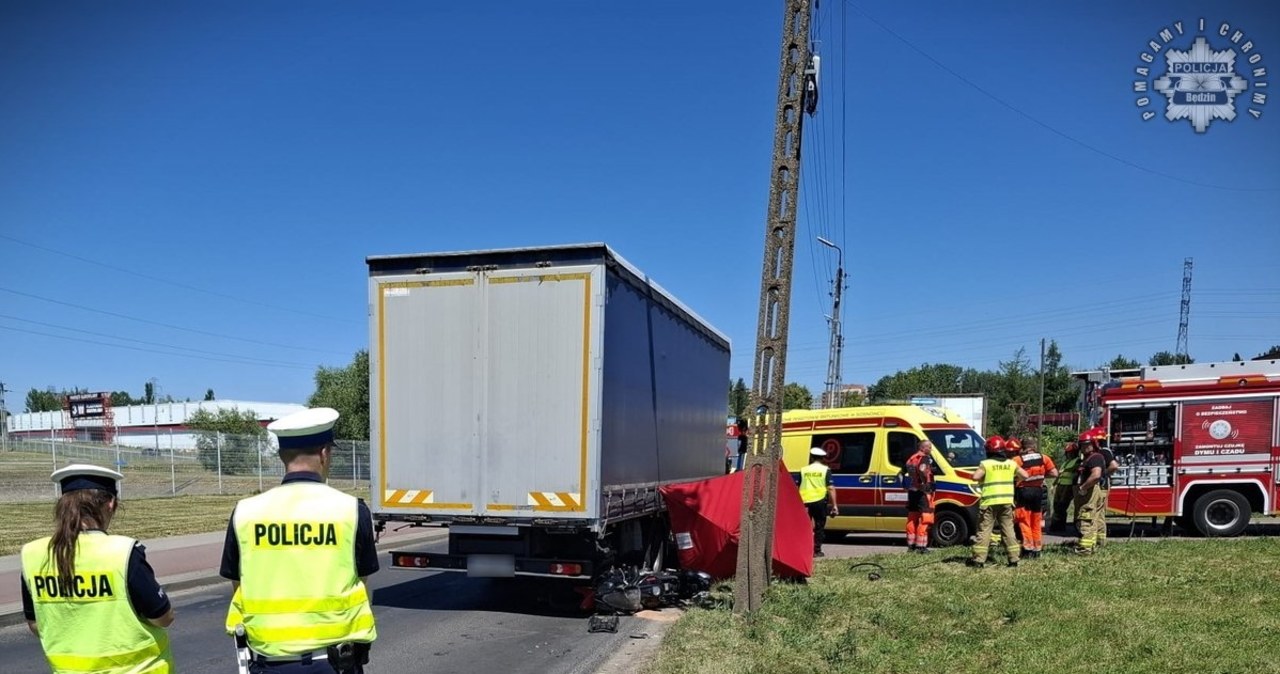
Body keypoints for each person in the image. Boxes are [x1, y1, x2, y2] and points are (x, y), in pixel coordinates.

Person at [221, 407, 378, 673]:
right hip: (334, 663)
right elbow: (362, 584)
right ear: (324, 453)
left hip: (268, 664)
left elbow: (239, 584)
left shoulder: (245, 512)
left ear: (282, 455)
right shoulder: (351, 510)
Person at [21, 464, 176, 674]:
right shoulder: (122, 552)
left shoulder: (33, 554)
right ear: (110, 503)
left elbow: (35, 624)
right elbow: (163, 617)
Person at [968, 436, 1029, 568]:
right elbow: (1025, 475)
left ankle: (979, 560)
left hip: (989, 502)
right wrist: (1014, 478)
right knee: (1008, 530)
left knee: (984, 530)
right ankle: (1014, 559)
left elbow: (975, 477)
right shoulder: (1011, 463)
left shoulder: (986, 464)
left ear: (988, 450)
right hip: (1006, 501)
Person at [1010, 437, 1058, 559]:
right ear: (1034, 446)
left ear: (1022, 447)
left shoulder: (1017, 459)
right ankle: (1037, 549)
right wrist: (1040, 475)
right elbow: (1054, 473)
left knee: (1024, 520)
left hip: (1023, 492)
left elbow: (1010, 474)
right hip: (1038, 492)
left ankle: (1028, 548)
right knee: (1036, 521)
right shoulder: (1044, 458)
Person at [1072, 434, 1108, 555]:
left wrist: (1083, 488)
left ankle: (1084, 549)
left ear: (1094, 444)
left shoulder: (1095, 457)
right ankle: (1095, 543)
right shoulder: (1088, 458)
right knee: (1094, 518)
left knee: (1085, 516)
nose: (1084, 447)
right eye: (1082, 445)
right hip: (1091, 490)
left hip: (1089, 491)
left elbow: (1096, 475)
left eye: (1087, 444)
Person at [798, 447, 838, 558]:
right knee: (819, 526)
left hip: (804, 501)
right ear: (823, 458)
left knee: (804, 526)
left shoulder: (803, 470)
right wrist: (834, 505)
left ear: (811, 457)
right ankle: (816, 550)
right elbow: (830, 488)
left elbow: (799, 486)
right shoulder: (825, 470)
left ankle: (803, 549)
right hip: (819, 501)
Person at [902, 439, 936, 554]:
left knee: (912, 518)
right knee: (926, 518)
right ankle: (921, 547)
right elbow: (922, 470)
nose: (930, 449)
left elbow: (903, 473)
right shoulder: (924, 458)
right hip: (922, 493)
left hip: (912, 493)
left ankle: (911, 545)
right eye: (929, 447)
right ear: (922, 448)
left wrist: (907, 486)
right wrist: (925, 483)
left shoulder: (911, 458)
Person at [1049, 442, 1080, 533]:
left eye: (1071, 452)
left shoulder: (1077, 461)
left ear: (1075, 452)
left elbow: (1075, 468)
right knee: (1056, 505)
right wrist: (1053, 484)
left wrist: (1065, 470)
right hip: (1060, 485)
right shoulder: (1065, 462)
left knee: (1062, 506)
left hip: (1068, 486)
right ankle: (1056, 525)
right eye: (1068, 453)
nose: (1069, 454)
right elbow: (1059, 474)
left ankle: (1060, 526)